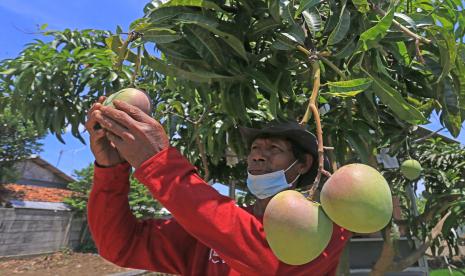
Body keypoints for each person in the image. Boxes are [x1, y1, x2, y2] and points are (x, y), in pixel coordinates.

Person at [85, 96, 351, 276]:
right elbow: (120, 245)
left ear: (304, 163)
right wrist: (111, 171)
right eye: (255, 148)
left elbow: (269, 261)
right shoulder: (213, 228)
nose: (258, 155)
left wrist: (159, 162)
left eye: (274, 148)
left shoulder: (325, 227)